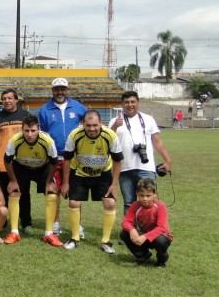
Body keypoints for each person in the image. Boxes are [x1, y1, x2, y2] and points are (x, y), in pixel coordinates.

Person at [60, 110, 123, 253]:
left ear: (101, 123)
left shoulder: (110, 136)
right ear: (83, 124)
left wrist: (113, 185)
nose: (92, 128)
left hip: (103, 173)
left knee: (110, 203)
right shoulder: (75, 135)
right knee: (74, 202)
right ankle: (75, 238)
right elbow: (67, 159)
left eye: (95, 125)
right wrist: (65, 182)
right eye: (88, 125)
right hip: (79, 173)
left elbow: (118, 161)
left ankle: (106, 241)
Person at [108, 91, 172, 214]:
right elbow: (108, 142)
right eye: (126, 102)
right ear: (122, 104)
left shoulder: (148, 119)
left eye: (133, 102)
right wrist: (114, 127)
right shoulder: (115, 121)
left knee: (150, 201)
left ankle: (151, 230)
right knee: (128, 203)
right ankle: (130, 230)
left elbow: (157, 141)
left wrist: (168, 160)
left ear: (138, 103)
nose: (130, 105)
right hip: (124, 168)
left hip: (146, 167)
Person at [37, 77, 87, 236]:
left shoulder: (78, 107)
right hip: (54, 158)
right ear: (52, 91)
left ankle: (77, 225)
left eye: (62, 89)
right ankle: (56, 223)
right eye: (57, 89)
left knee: (76, 192)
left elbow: (88, 126)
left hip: (74, 158)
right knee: (54, 191)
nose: (60, 92)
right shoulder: (44, 110)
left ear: (67, 90)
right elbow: (42, 134)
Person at [2, 115, 62, 246]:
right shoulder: (14, 140)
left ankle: (49, 234)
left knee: (52, 192)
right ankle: (14, 232)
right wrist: (12, 181)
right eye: (26, 130)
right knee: (14, 192)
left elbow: (54, 161)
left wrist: (49, 181)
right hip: (22, 167)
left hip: (43, 167)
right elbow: (7, 161)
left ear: (38, 129)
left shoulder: (47, 141)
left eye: (33, 131)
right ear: (22, 130)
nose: (30, 134)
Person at [0, 88, 31, 234]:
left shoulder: (25, 115)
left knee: (23, 193)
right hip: (1, 162)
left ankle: (26, 221)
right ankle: (1, 220)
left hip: (21, 162)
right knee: (2, 194)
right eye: (4, 99)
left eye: (10, 98)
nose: (7, 101)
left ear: (16, 100)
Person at [120, 179, 173, 267]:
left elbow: (161, 228)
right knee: (124, 233)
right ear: (137, 193)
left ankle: (161, 261)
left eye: (148, 195)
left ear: (154, 194)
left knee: (161, 242)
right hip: (144, 235)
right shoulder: (135, 205)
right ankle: (142, 256)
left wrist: (145, 237)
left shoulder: (160, 206)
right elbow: (125, 222)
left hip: (159, 236)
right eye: (142, 195)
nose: (145, 199)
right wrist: (132, 230)